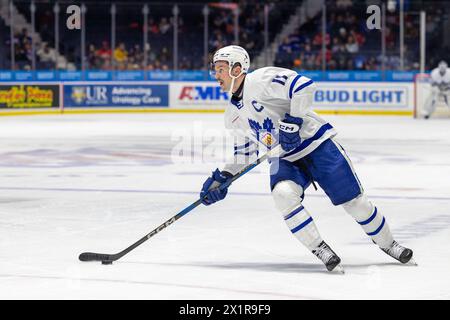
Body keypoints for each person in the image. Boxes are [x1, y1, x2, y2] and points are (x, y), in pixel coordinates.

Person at [199, 45, 415, 272]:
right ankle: (320, 247)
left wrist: (293, 122)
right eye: (215, 69)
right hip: (284, 158)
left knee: (356, 204)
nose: (216, 75)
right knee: (283, 195)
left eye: (220, 69)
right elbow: (244, 153)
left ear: (237, 68)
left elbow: (304, 86)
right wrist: (224, 177)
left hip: (317, 145)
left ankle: (389, 244)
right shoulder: (232, 116)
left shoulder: (261, 79)